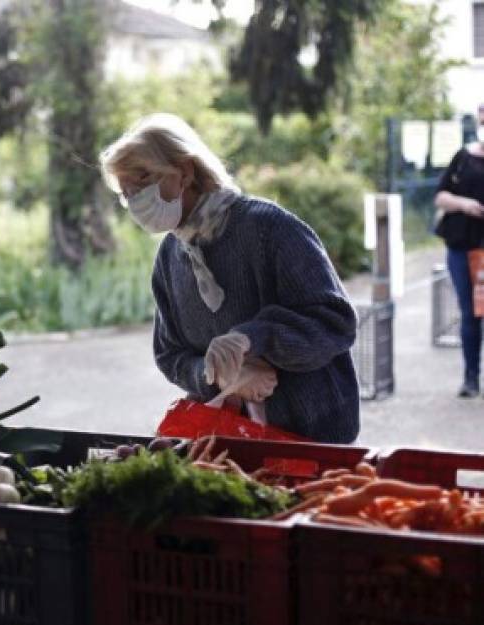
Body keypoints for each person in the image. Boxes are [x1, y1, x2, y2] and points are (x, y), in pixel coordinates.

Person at [99, 113, 360, 443]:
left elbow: (335, 323)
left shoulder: (268, 228)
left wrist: (253, 339)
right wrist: (218, 376)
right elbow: (170, 355)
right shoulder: (169, 257)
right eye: (127, 192)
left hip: (314, 436)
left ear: (185, 171)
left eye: (144, 179)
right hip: (232, 443)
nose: (137, 200)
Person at [433, 104, 484, 398]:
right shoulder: (463, 157)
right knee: (470, 313)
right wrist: (465, 205)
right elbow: (440, 196)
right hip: (463, 249)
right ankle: (471, 378)